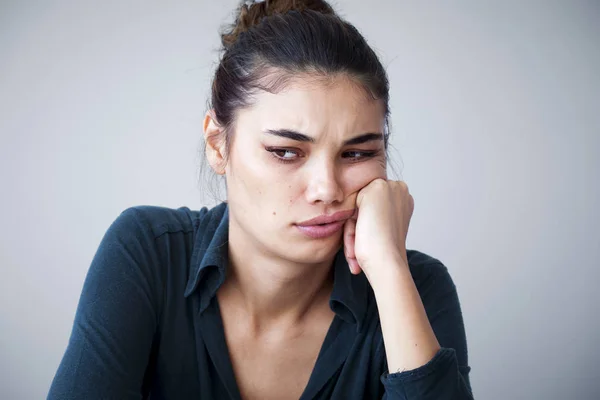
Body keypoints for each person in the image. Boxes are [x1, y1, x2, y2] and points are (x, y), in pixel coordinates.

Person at [47, 0, 473, 399]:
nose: (326, 188)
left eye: (357, 153)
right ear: (218, 145)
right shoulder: (148, 252)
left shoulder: (416, 287)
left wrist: (391, 272)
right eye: (286, 152)